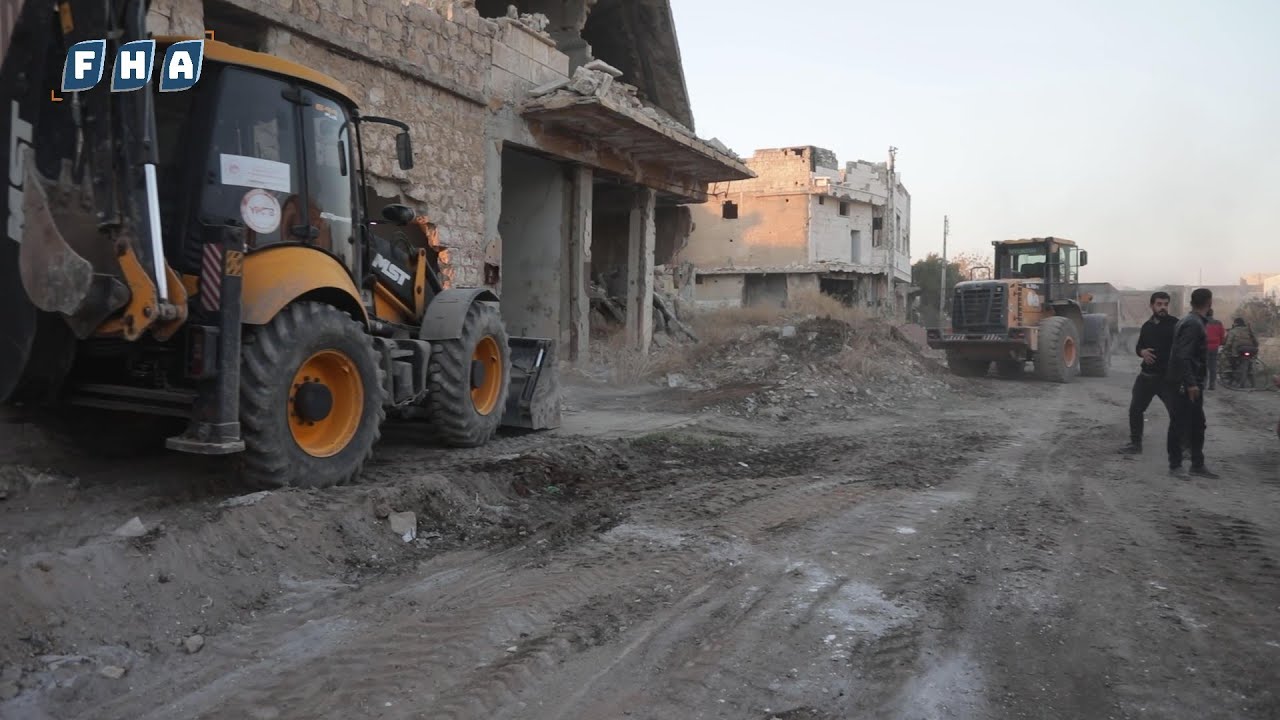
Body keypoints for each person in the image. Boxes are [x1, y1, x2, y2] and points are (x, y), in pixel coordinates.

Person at [1166, 288, 1219, 478]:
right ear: (1209, 302)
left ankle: (1197, 464)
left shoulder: (1190, 321)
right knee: (1180, 423)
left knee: (1197, 423)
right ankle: (1175, 465)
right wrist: (1190, 383)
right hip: (1186, 383)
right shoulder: (1193, 324)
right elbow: (1183, 356)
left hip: (1188, 380)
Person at [1119, 291, 1178, 455]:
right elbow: (1139, 347)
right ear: (1152, 306)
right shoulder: (1147, 326)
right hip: (1146, 377)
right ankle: (1135, 444)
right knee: (1135, 410)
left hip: (1167, 378)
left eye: (1166, 304)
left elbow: (1183, 349)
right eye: (1159, 304)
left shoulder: (1176, 325)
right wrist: (1143, 352)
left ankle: (1184, 447)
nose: (1163, 307)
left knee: (1177, 413)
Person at [1223, 317, 1260, 386]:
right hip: (1251, 350)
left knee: (1232, 363)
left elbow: (1229, 343)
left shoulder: (1233, 331)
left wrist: (1225, 349)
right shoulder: (1249, 330)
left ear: (1235, 323)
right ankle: (1253, 383)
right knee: (1250, 365)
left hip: (1238, 351)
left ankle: (1232, 378)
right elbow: (1256, 341)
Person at [1204, 309, 1225, 390]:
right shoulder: (1218, 323)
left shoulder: (1201, 322)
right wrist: (1221, 343)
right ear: (1212, 314)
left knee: (1204, 366)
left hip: (1204, 347)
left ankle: (1204, 384)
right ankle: (1212, 385)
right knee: (1213, 366)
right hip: (1215, 347)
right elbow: (1222, 335)